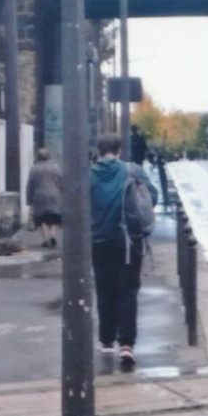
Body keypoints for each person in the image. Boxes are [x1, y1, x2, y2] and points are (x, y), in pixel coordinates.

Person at [89, 135, 156, 369]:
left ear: (98, 150)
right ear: (118, 150)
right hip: (130, 242)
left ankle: (106, 340)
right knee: (128, 291)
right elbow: (152, 197)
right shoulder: (132, 170)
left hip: (99, 241)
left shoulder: (89, 174)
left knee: (104, 289)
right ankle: (126, 345)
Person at [25, 147, 63, 249]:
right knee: (53, 217)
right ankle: (53, 235)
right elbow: (61, 182)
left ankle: (45, 239)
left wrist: (28, 200)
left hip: (39, 196)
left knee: (42, 219)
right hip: (55, 195)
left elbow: (30, 185)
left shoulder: (34, 169)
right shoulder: (56, 167)